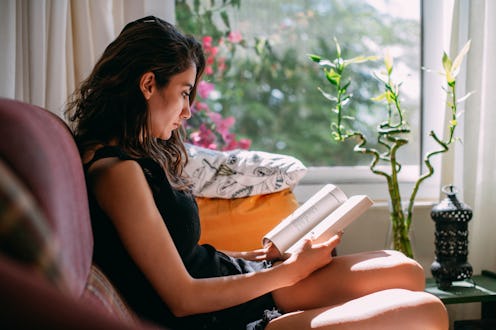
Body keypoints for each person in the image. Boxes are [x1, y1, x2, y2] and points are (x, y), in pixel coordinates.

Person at [66, 16, 448, 330]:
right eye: (184, 92)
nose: (187, 111)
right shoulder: (116, 173)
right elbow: (182, 298)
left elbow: (180, 256)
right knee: (427, 310)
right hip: (220, 316)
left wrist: (263, 255)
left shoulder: (133, 157)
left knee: (405, 270)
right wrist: (293, 271)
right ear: (148, 84)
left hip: (232, 279)